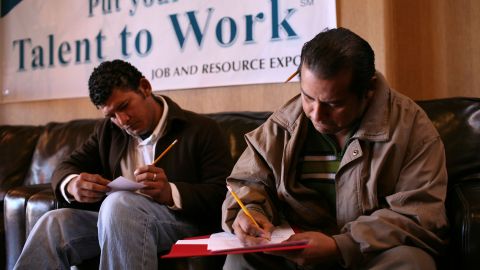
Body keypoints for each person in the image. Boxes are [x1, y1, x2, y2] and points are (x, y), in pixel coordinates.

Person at [222, 27, 448, 269]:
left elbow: (418, 215)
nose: (316, 114)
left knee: (412, 262)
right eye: (307, 97)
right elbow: (248, 183)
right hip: (295, 254)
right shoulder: (284, 125)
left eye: (334, 103)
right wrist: (252, 212)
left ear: (368, 91)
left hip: (368, 254)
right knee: (240, 257)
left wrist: (341, 245)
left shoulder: (412, 128)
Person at [14, 59, 233, 269]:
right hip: (119, 220)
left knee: (120, 204)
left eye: (125, 106)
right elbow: (66, 166)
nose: (123, 120)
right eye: (112, 115)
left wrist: (170, 192)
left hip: (182, 223)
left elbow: (222, 194)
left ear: (145, 87)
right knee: (55, 222)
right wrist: (72, 184)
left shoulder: (201, 129)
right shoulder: (108, 132)